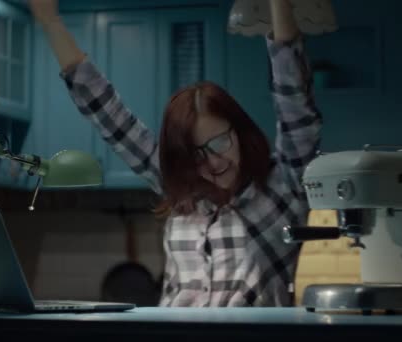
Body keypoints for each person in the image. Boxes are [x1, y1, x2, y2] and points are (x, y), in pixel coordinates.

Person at [28, 0, 322, 307]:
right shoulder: (180, 189)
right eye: (196, 154)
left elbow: (294, 97)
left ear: (240, 132)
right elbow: (109, 115)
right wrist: (51, 22)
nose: (213, 162)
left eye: (220, 143)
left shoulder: (284, 185)